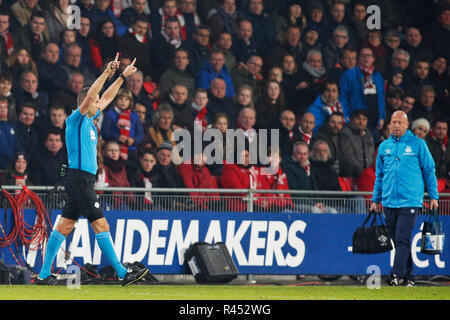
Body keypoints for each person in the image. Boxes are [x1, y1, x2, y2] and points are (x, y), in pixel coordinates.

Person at [36, 54, 149, 286]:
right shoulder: (75, 120)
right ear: (85, 103)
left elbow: (106, 97)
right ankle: (121, 272)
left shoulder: (89, 120)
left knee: (65, 225)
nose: (99, 105)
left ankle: (43, 274)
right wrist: (107, 73)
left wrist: (121, 78)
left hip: (82, 179)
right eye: (94, 102)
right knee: (100, 223)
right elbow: (93, 95)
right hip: (78, 179)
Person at [370, 110, 439, 287]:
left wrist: (433, 196)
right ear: (389, 125)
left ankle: (395, 274)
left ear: (407, 125)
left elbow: (429, 170)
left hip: (410, 201)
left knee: (402, 237)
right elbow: (379, 175)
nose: (396, 125)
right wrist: (376, 199)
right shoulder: (384, 147)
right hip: (389, 201)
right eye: (393, 122)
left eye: (400, 122)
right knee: (398, 240)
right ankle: (409, 277)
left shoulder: (418, 144)